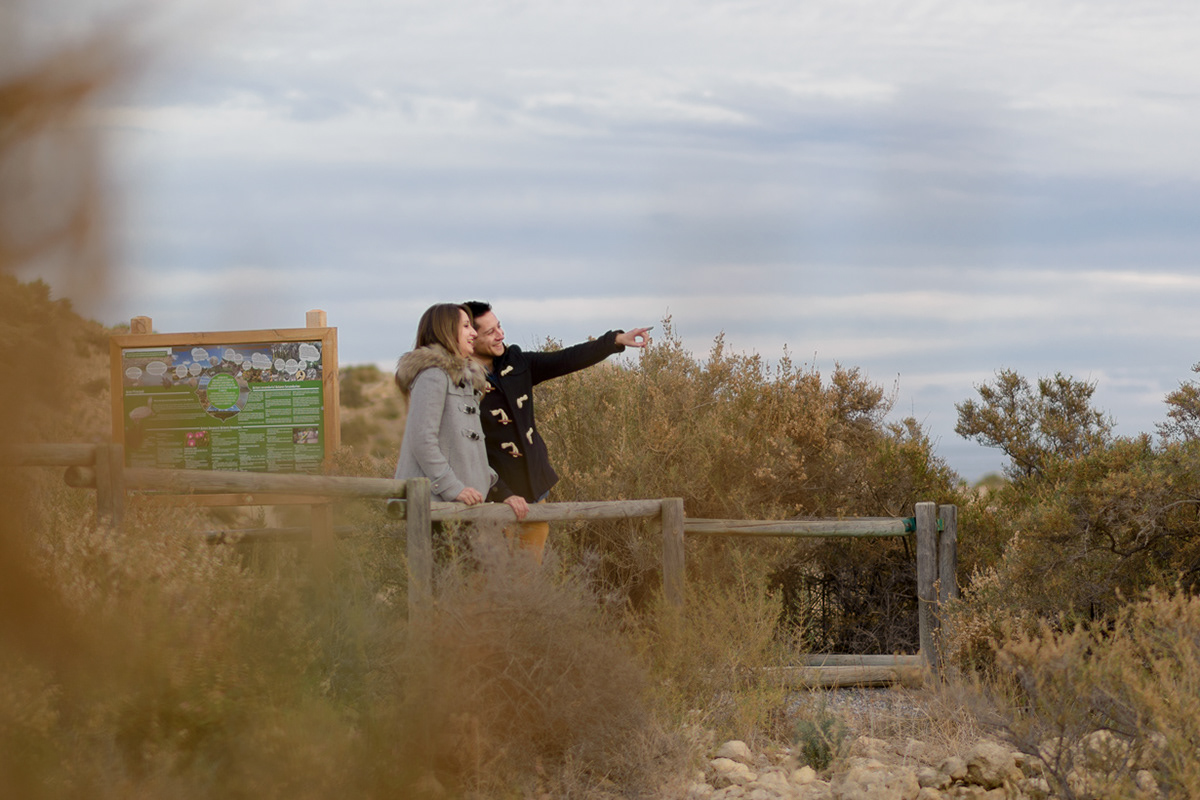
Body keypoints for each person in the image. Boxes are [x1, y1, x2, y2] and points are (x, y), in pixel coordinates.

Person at [463, 300, 652, 562]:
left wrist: (615, 340)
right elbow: (467, 450)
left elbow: (566, 359)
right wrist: (502, 493)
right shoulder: (457, 381)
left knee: (528, 577)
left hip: (532, 494)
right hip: (487, 498)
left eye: (500, 326)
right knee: (485, 580)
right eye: (490, 332)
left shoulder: (516, 363)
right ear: (470, 337)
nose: (501, 335)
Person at [393, 303, 509, 507]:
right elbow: (422, 440)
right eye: (466, 326)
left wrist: (489, 482)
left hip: (462, 504)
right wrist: (453, 488)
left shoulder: (465, 380)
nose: (473, 332)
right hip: (434, 506)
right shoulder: (433, 375)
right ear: (445, 330)